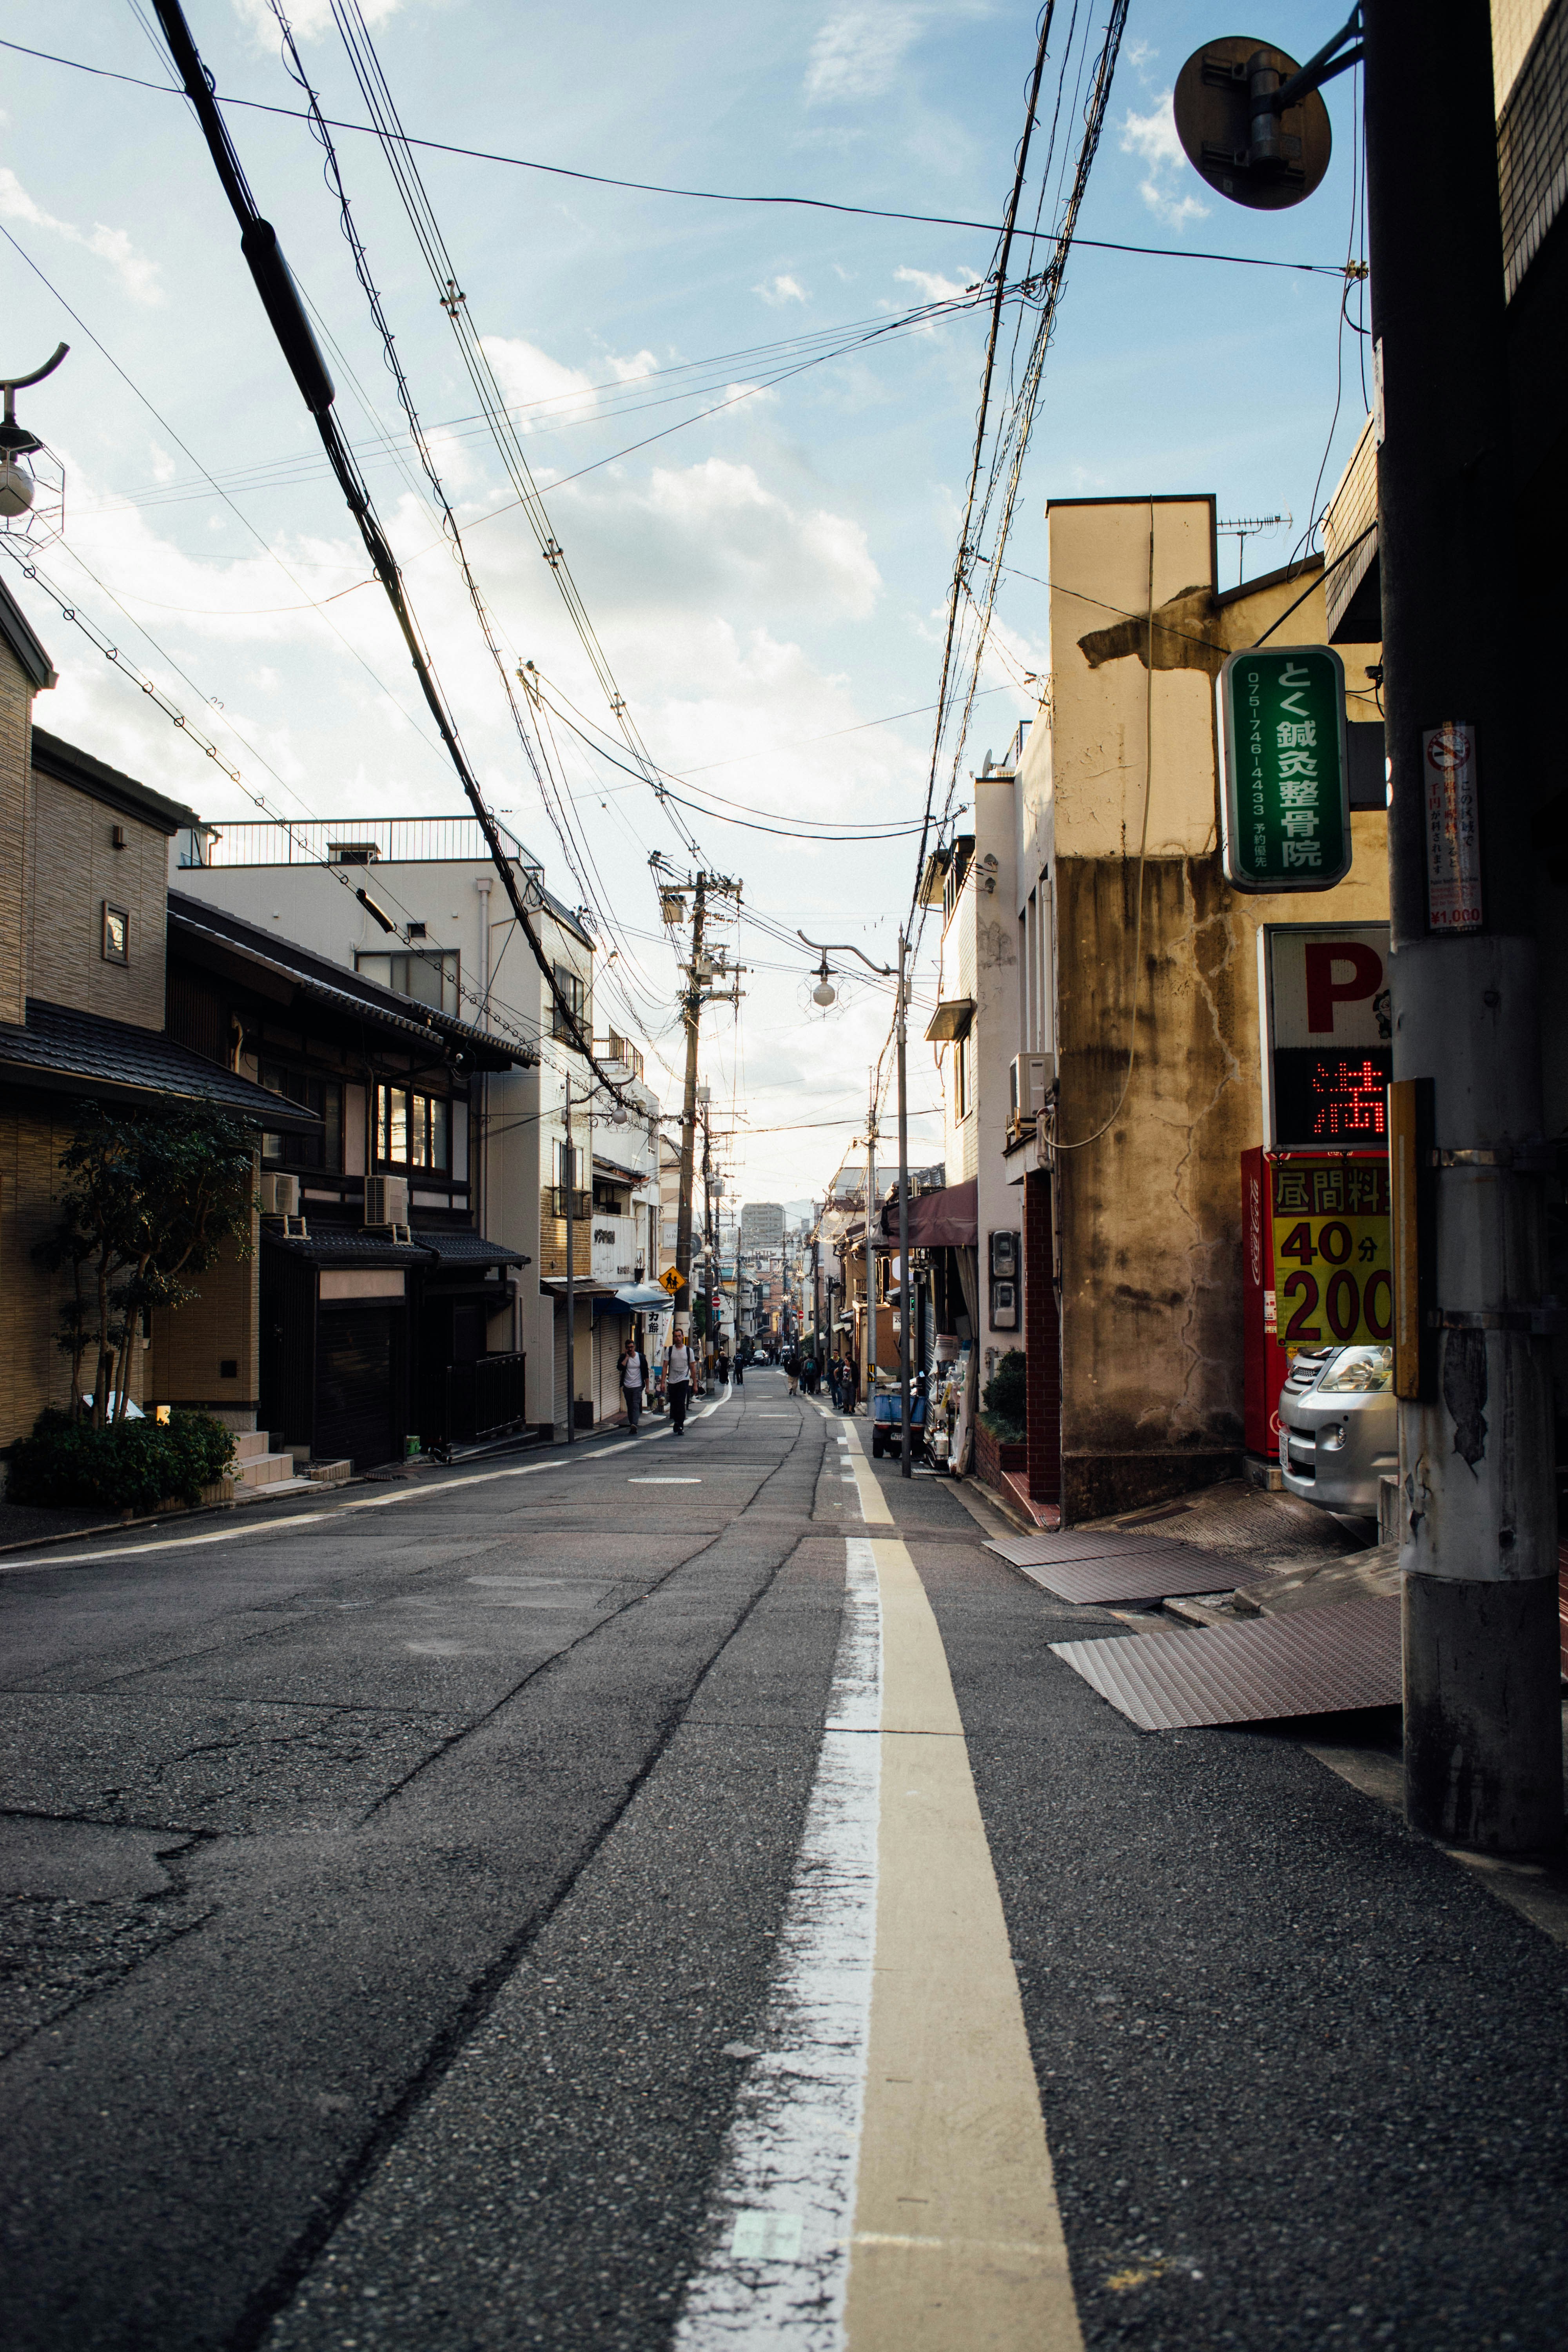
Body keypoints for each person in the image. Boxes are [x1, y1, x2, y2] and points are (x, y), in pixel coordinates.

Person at [617, 1336, 649, 1434]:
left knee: (635, 1405)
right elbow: (620, 1368)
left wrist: (648, 1387)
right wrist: (627, 1357)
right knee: (630, 1406)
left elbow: (646, 1373)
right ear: (626, 1348)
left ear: (634, 1347)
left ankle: (635, 1424)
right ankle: (632, 1424)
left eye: (632, 1347)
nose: (630, 1349)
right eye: (628, 1348)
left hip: (638, 1386)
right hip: (627, 1386)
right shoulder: (623, 1357)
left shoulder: (641, 1358)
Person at [664, 1331, 693, 1434]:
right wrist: (663, 1383)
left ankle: (681, 1425)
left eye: (679, 1336)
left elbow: (693, 1367)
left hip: (684, 1380)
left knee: (681, 1402)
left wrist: (694, 1383)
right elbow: (665, 1366)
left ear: (683, 1337)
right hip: (672, 1381)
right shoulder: (670, 1350)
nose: (678, 1338)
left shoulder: (689, 1351)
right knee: (675, 1403)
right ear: (674, 1338)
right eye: (676, 1336)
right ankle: (677, 1421)